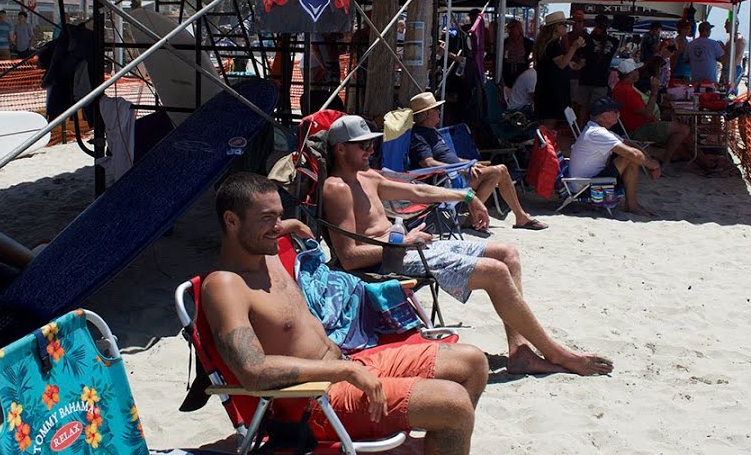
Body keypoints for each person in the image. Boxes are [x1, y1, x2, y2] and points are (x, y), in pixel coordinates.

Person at [203, 172, 488, 454]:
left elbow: (282, 228)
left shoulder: (267, 251)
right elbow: (253, 372)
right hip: (315, 400)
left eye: (280, 216)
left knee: (473, 362)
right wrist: (343, 370)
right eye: (267, 218)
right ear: (231, 221)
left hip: (349, 364)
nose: (277, 227)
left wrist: (289, 225)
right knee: (454, 404)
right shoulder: (225, 285)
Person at [322, 115, 614, 376]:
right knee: (496, 272)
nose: (370, 151)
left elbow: (417, 190)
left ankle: (521, 351)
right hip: (390, 260)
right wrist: (405, 243)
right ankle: (557, 353)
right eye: (363, 146)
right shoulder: (337, 188)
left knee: (507, 253)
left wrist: (465, 196)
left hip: (410, 247)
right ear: (341, 149)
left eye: (372, 145)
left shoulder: (367, 177)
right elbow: (349, 258)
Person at [406, 92, 548, 231]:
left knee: (500, 171)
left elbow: (449, 157)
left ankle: (516, 217)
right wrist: (458, 168)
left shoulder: (432, 131)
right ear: (425, 115)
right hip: (445, 179)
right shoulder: (419, 136)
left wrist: (469, 163)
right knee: (497, 171)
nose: (439, 111)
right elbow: (428, 163)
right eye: (435, 109)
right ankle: (477, 218)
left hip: (457, 172)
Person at [569, 97, 663, 218]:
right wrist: (654, 165)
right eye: (614, 111)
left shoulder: (596, 129)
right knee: (630, 157)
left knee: (630, 156)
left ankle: (632, 205)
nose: (619, 114)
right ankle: (632, 206)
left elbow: (629, 144)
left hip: (587, 181)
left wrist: (649, 161)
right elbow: (633, 154)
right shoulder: (597, 133)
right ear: (603, 115)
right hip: (584, 187)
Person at [609, 60, 693, 171]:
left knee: (684, 139)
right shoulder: (627, 90)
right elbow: (647, 112)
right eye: (636, 70)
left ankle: (707, 163)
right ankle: (665, 162)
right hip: (640, 129)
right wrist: (654, 92)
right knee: (683, 129)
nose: (638, 73)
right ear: (630, 73)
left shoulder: (622, 87)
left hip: (636, 126)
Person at [531, 11, 584, 132]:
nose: (566, 27)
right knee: (549, 123)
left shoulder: (547, 44)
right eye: (564, 25)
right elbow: (561, 64)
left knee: (546, 122)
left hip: (547, 87)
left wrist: (569, 63)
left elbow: (556, 63)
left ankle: (542, 146)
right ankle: (544, 148)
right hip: (552, 89)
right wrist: (574, 47)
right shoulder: (553, 45)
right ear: (556, 27)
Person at [573, 14, 618, 126]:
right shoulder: (615, 41)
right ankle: (593, 133)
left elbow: (580, 57)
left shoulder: (586, 39)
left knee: (583, 107)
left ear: (595, 24)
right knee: (597, 110)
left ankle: (579, 133)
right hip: (601, 80)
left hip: (585, 78)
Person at [301, 31, 345, 114]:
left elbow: (340, 49)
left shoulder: (327, 32)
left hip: (323, 64)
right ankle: (316, 114)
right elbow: (314, 48)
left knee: (319, 91)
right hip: (317, 65)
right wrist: (323, 66)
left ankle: (319, 113)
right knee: (316, 92)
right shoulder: (316, 31)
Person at [684, 21, 725, 87]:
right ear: (706, 31)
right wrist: (724, 48)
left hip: (695, 79)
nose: (710, 32)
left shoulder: (690, 44)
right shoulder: (713, 44)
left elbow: (686, 60)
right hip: (710, 80)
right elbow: (722, 59)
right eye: (709, 30)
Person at [500, 18, 533, 88]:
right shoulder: (505, 42)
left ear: (519, 28)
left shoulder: (527, 42)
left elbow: (536, 52)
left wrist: (529, 61)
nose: (510, 30)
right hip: (508, 68)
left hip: (521, 68)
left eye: (512, 27)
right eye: (509, 28)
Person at [721, 16, 747, 87]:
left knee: (730, 91)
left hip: (734, 69)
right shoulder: (729, 39)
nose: (724, 26)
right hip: (727, 68)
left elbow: (736, 57)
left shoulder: (738, 39)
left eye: (726, 24)